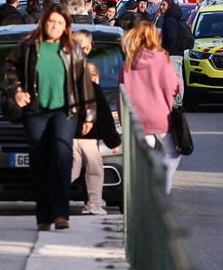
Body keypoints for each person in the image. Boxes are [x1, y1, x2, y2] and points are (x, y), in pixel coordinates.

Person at [3, 3, 97, 231]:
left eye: (60, 23)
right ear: (44, 22)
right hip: (36, 110)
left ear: (66, 27)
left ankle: (61, 214)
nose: (54, 26)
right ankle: (43, 216)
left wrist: (89, 115)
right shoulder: (28, 46)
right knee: (40, 160)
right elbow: (10, 68)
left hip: (65, 111)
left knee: (62, 156)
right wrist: (16, 90)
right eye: (51, 21)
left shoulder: (72, 49)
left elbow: (83, 83)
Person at [120, 22, 182, 193]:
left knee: (144, 155)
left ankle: (143, 189)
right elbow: (173, 85)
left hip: (135, 116)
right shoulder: (162, 57)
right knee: (172, 153)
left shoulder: (128, 61)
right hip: (159, 115)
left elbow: (121, 91)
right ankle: (163, 188)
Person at [70, 31, 109, 216]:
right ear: (87, 47)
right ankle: (93, 203)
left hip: (67, 129)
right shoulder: (84, 70)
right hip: (86, 132)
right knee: (94, 168)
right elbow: (99, 107)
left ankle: (53, 197)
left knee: (71, 167)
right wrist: (114, 140)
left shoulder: (65, 66)